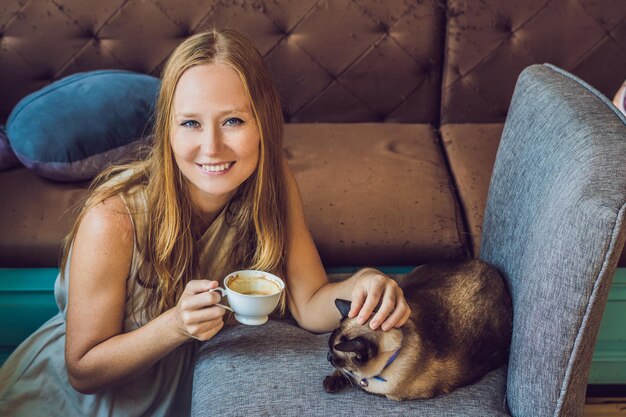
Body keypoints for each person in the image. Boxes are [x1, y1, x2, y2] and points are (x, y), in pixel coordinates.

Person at [0, 28, 411, 416]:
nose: (211, 147)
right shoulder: (111, 219)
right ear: (167, 131)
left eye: (233, 120)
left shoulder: (273, 182)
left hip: (192, 384)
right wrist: (176, 324)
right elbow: (83, 371)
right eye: (190, 123)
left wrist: (363, 284)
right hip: (94, 401)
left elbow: (309, 304)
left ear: (263, 124)